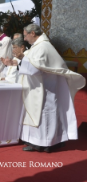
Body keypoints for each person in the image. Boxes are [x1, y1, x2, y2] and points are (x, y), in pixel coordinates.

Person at [17, 24, 85, 152]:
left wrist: (22, 59)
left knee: (45, 115)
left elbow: (34, 69)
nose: (25, 39)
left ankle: (46, 144)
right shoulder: (38, 46)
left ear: (33, 33)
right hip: (40, 87)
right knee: (42, 115)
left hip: (45, 89)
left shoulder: (43, 46)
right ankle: (40, 142)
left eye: (25, 35)